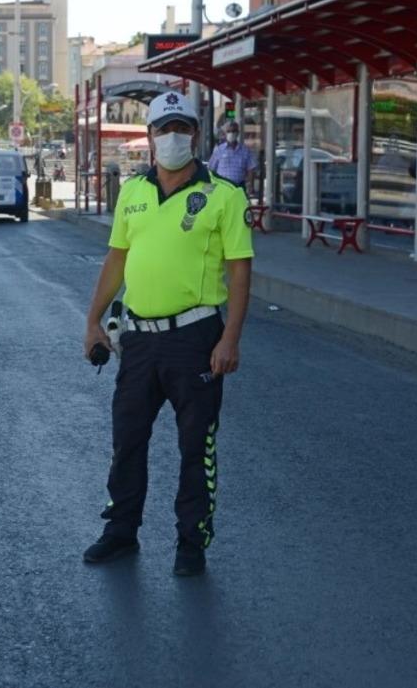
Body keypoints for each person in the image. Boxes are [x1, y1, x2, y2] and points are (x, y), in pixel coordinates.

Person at [82, 91, 255, 577]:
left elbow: (240, 273)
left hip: (197, 339)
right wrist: (93, 320)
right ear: (150, 136)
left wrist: (231, 339)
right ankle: (121, 531)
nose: (173, 136)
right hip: (139, 339)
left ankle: (191, 542)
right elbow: (117, 258)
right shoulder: (133, 193)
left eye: (182, 128)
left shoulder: (225, 195)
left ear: (196, 135)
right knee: (128, 439)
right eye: (164, 128)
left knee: (194, 446)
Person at [207, 120, 258, 195]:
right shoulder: (219, 150)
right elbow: (211, 170)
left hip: (239, 187)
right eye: (229, 131)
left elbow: (251, 169)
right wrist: (208, 190)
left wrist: (250, 186)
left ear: (238, 132)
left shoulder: (245, 151)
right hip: (222, 187)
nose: (231, 133)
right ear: (225, 133)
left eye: (234, 131)